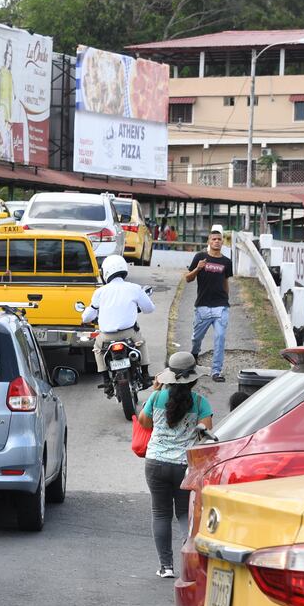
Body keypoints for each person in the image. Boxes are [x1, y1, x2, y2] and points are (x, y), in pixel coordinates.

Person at [138, 351, 213, 578]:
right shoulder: (201, 402)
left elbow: (144, 421)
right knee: (183, 513)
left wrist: (156, 394)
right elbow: (206, 431)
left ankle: (166, 567)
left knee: (160, 513)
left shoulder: (157, 397)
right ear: (194, 378)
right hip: (183, 466)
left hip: (155, 462)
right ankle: (189, 553)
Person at [82, 254, 154, 390]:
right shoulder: (134, 288)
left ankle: (106, 381)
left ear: (106, 272)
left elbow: (87, 316)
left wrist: (84, 318)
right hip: (129, 334)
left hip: (106, 336)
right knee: (141, 343)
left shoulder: (100, 292)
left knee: (97, 349)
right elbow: (149, 308)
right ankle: (145, 375)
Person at [186, 228, 233, 382]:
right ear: (208, 242)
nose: (217, 242)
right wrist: (198, 268)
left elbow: (226, 281)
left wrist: (226, 299)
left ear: (222, 242)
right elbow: (188, 278)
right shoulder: (200, 257)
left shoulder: (227, 262)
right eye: (214, 239)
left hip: (221, 306)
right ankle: (194, 355)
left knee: (220, 337)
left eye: (219, 239)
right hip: (203, 306)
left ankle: (216, 371)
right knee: (196, 338)